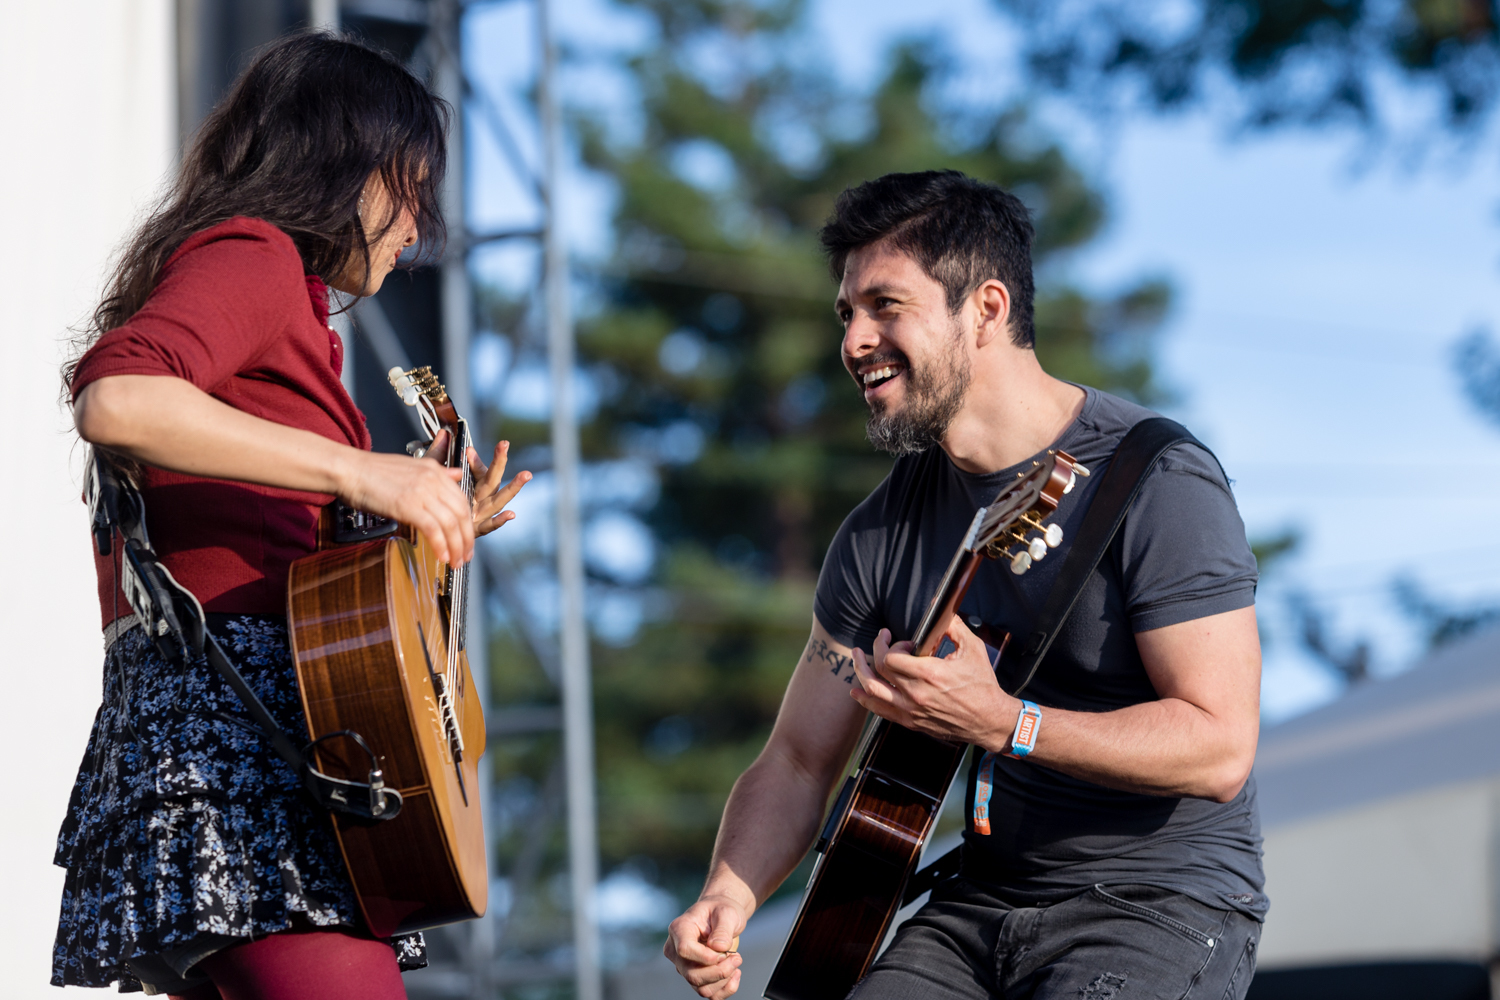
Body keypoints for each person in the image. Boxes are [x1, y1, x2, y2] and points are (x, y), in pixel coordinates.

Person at [664, 170, 1266, 1000]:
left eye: (885, 305)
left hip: (1156, 903)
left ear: (985, 309)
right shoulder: (878, 534)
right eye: (847, 313)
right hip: (979, 905)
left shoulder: (1158, 478)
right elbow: (800, 760)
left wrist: (1004, 722)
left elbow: (1220, 745)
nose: (852, 341)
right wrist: (727, 893)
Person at [55, 32, 529, 1000]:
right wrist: (367, 474)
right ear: (349, 164)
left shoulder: (284, 297)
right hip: (249, 739)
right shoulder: (255, 255)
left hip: (250, 730)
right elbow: (120, 399)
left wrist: (410, 531)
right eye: (413, 186)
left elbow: (274, 544)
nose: (419, 226)